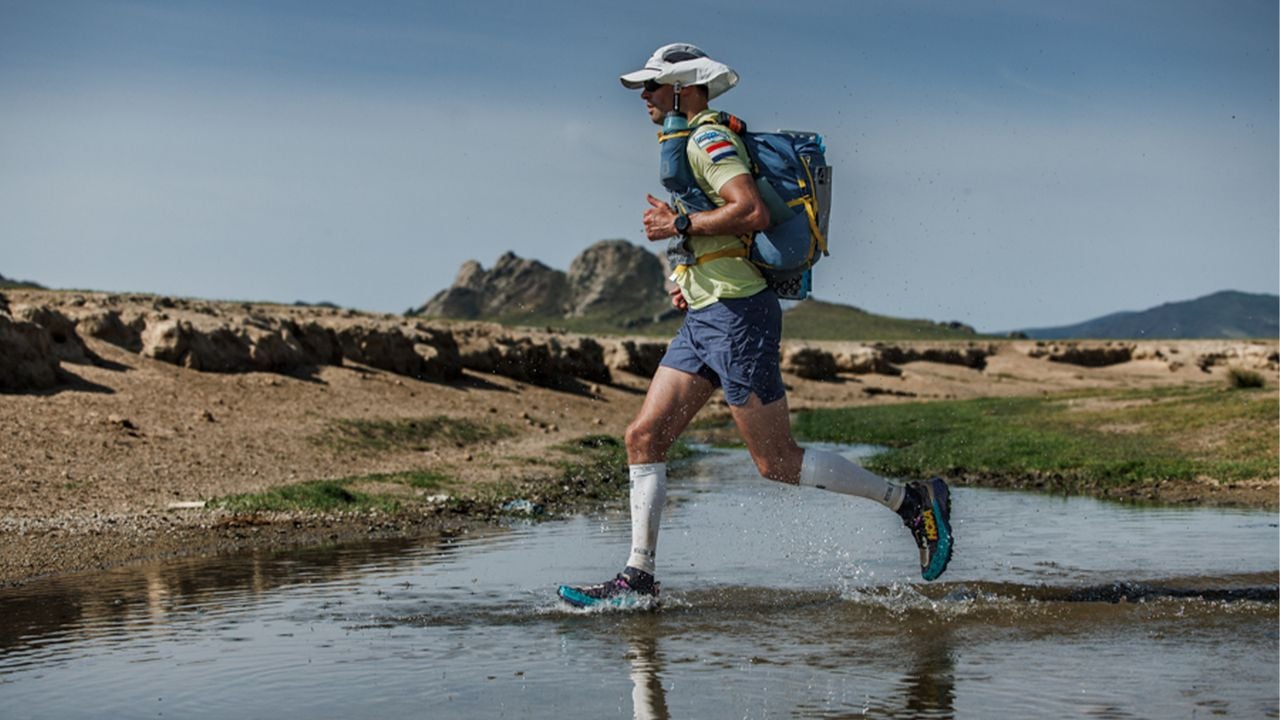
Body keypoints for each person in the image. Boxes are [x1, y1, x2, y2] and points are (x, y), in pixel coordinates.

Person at [557, 44, 953, 608]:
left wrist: (679, 223)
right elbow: (724, 231)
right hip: (705, 316)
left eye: (651, 86)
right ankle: (636, 579)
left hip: (738, 316)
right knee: (643, 437)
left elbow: (750, 211)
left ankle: (912, 503)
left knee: (777, 462)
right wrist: (686, 265)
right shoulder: (690, 140)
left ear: (682, 89)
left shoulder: (707, 138)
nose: (643, 97)